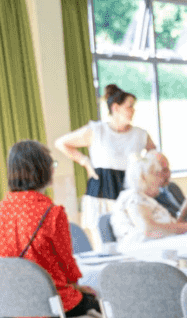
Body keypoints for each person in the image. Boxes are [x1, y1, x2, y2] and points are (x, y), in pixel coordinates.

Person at [0, 140, 145, 318]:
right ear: (42, 170)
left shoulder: (1, 212)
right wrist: (82, 288)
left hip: (10, 312)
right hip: (52, 310)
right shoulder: (51, 213)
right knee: (97, 311)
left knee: (69, 301)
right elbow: (68, 270)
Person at [54, 84, 156, 243]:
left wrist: (145, 169)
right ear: (116, 108)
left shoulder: (140, 134)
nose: (133, 110)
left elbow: (154, 155)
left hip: (128, 192)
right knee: (104, 243)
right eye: (129, 107)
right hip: (101, 193)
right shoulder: (97, 130)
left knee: (133, 239)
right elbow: (61, 143)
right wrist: (85, 161)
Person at [111, 152, 187, 245]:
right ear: (143, 176)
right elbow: (148, 229)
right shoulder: (134, 198)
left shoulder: (147, 199)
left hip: (162, 246)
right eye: (157, 174)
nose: (161, 179)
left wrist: (186, 219)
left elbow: (168, 228)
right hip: (146, 251)